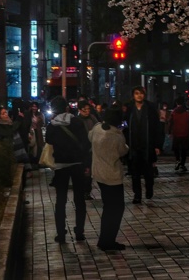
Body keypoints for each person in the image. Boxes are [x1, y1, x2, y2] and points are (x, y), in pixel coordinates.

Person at [46, 96, 91, 243]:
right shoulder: (77, 122)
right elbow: (85, 142)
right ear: (67, 107)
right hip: (77, 163)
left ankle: (61, 233)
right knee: (79, 199)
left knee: (61, 200)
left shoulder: (52, 125)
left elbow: (49, 141)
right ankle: (79, 231)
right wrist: (85, 163)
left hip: (61, 165)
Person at [90, 107, 129, 252]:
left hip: (99, 173)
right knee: (117, 208)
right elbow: (122, 151)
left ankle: (104, 239)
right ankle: (108, 240)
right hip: (112, 176)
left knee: (108, 207)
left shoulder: (96, 129)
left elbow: (89, 138)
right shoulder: (117, 135)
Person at [123, 86, 163, 204]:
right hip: (133, 145)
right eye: (136, 93)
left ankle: (149, 189)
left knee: (148, 172)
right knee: (135, 173)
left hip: (148, 145)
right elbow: (124, 125)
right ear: (133, 95)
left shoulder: (150, 108)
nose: (139, 96)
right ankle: (137, 195)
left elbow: (157, 128)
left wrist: (157, 145)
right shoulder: (129, 109)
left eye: (141, 93)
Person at [74, 99, 100, 199]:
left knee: (89, 171)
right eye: (84, 110)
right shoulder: (76, 120)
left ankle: (87, 191)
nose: (87, 111)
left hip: (92, 148)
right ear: (80, 110)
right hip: (81, 149)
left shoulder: (92, 118)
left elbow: (98, 128)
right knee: (83, 171)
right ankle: (83, 190)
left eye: (88, 109)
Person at [169, 96, 189, 173]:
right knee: (184, 150)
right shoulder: (187, 113)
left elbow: (170, 123)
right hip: (185, 133)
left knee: (176, 148)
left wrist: (170, 132)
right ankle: (182, 164)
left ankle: (177, 160)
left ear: (176, 103)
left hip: (176, 133)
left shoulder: (173, 112)